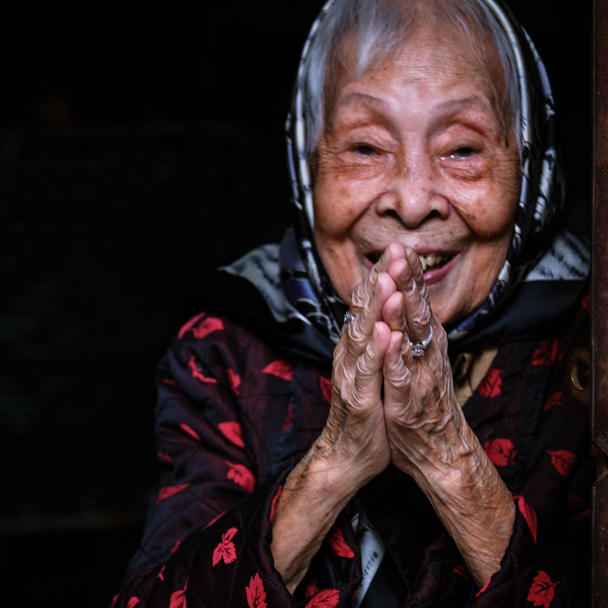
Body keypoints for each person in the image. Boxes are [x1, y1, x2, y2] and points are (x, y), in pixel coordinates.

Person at [112, 0, 593, 606]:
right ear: (305, 166)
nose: (413, 202)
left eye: (462, 149)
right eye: (365, 147)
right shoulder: (228, 344)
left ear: (529, 167)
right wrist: (337, 460)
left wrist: (446, 456)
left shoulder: (588, 342)